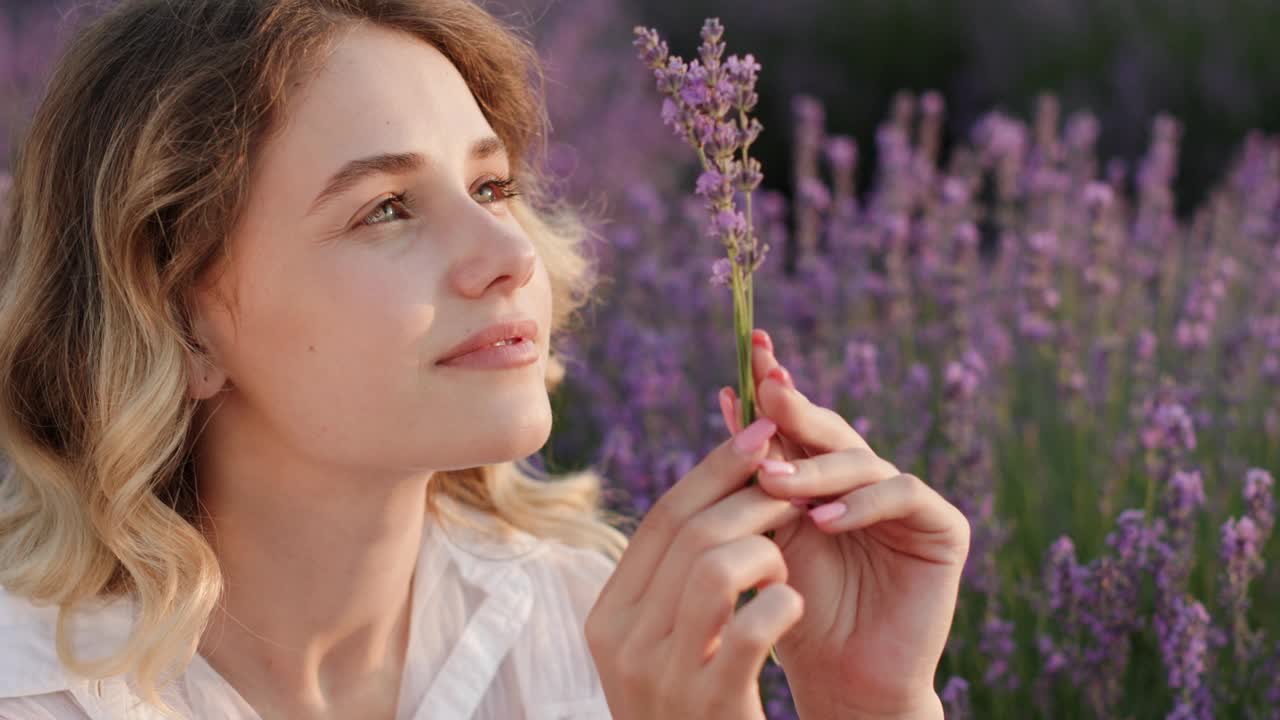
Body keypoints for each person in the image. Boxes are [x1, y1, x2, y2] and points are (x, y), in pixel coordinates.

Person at [0, 1, 969, 718]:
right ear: (179, 322)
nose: (509, 257)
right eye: (385, 209)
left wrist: (866, 697)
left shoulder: (605, 634)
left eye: (492, 184)